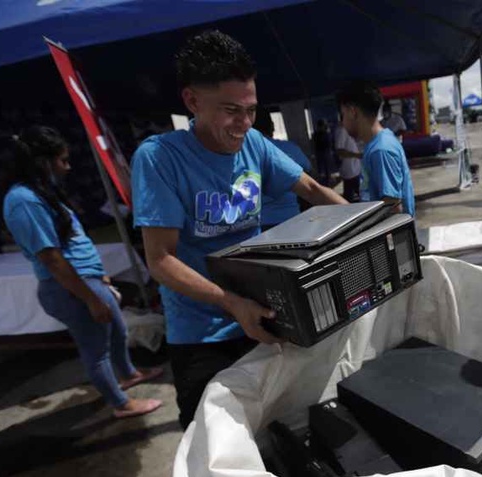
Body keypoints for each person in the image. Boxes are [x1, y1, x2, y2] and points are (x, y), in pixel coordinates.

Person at [131, 30, 347, 429]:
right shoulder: (160, 158)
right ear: (192, 101)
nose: (244, 123)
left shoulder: (256, 145)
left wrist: (373, 225)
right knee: (211, 437)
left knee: (282, 423)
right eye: (231, 110)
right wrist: (231, 302)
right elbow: (160, 260)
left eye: (250, 109)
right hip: (202, 332)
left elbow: (314, 189)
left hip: (263, 312)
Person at [3, 126, 163, 418]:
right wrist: (90, 298)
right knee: (96, 349)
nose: (68, 166)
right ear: (42, 162)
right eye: (62, 160)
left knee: (118, 330)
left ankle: (128, 374)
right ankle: (120, 404)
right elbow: (51, 258)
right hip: (69, 289)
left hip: (86, 280)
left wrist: (98, 276)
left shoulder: (41, 193)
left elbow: (71, 243)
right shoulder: (23, 201)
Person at [338, 81, 415, 216]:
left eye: (342, 115)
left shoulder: (381, 150)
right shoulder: (379, 143)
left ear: (352, 112)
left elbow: (393, 207)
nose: (342, 122)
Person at [252, 107, 313, 230]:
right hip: (293, 220)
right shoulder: (290, 148)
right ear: (272, 126)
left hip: (259, 227)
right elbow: (311, 180)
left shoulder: (242, 155)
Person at [334, 116, 362, 203]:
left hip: (355, 169)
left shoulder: (349, 130)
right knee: (351, 196)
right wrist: (356, 155)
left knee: (355, 194)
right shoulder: (342, 130)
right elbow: (339, 151)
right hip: (349, 170)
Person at [312, 119, 334, 186]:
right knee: (324, 169)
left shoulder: (316, 134)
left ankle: (326, 181)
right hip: (324, 153)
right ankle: (326, 182)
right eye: (324, 126)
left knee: (324, 169)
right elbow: (329, 143)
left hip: (321, 153)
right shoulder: (324, 134)